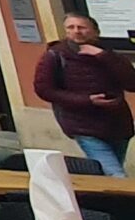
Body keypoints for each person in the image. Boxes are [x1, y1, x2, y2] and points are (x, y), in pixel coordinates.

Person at [33, 15, 135, 175]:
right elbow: (44, 90)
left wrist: (103, 56)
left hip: (117, 124)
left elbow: (131, 84)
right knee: (115, 175)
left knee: (106, 173)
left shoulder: (109, 53)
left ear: (95, 31)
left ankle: (104, 199)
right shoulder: (55, 55)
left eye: (81, 27)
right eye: (71, 28)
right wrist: (88, 100)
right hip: (83, 126)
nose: (76, 32)